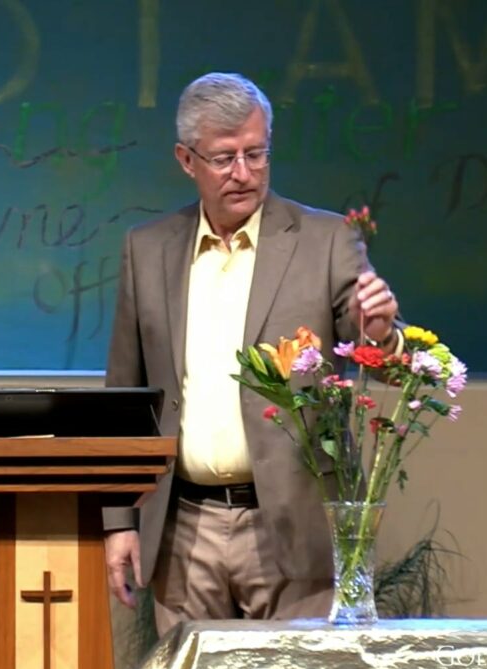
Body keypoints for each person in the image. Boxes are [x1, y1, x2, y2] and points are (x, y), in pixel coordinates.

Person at [102, 72, 403, 635]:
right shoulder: (147, 250)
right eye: (223, 159)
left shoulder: (326, 240)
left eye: (256, 154)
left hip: (294, 528)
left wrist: (382, 330)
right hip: (184, 529)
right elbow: (124, 396)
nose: (243, 173)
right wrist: (119, 520)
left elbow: (377, 356)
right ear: (186, 160)